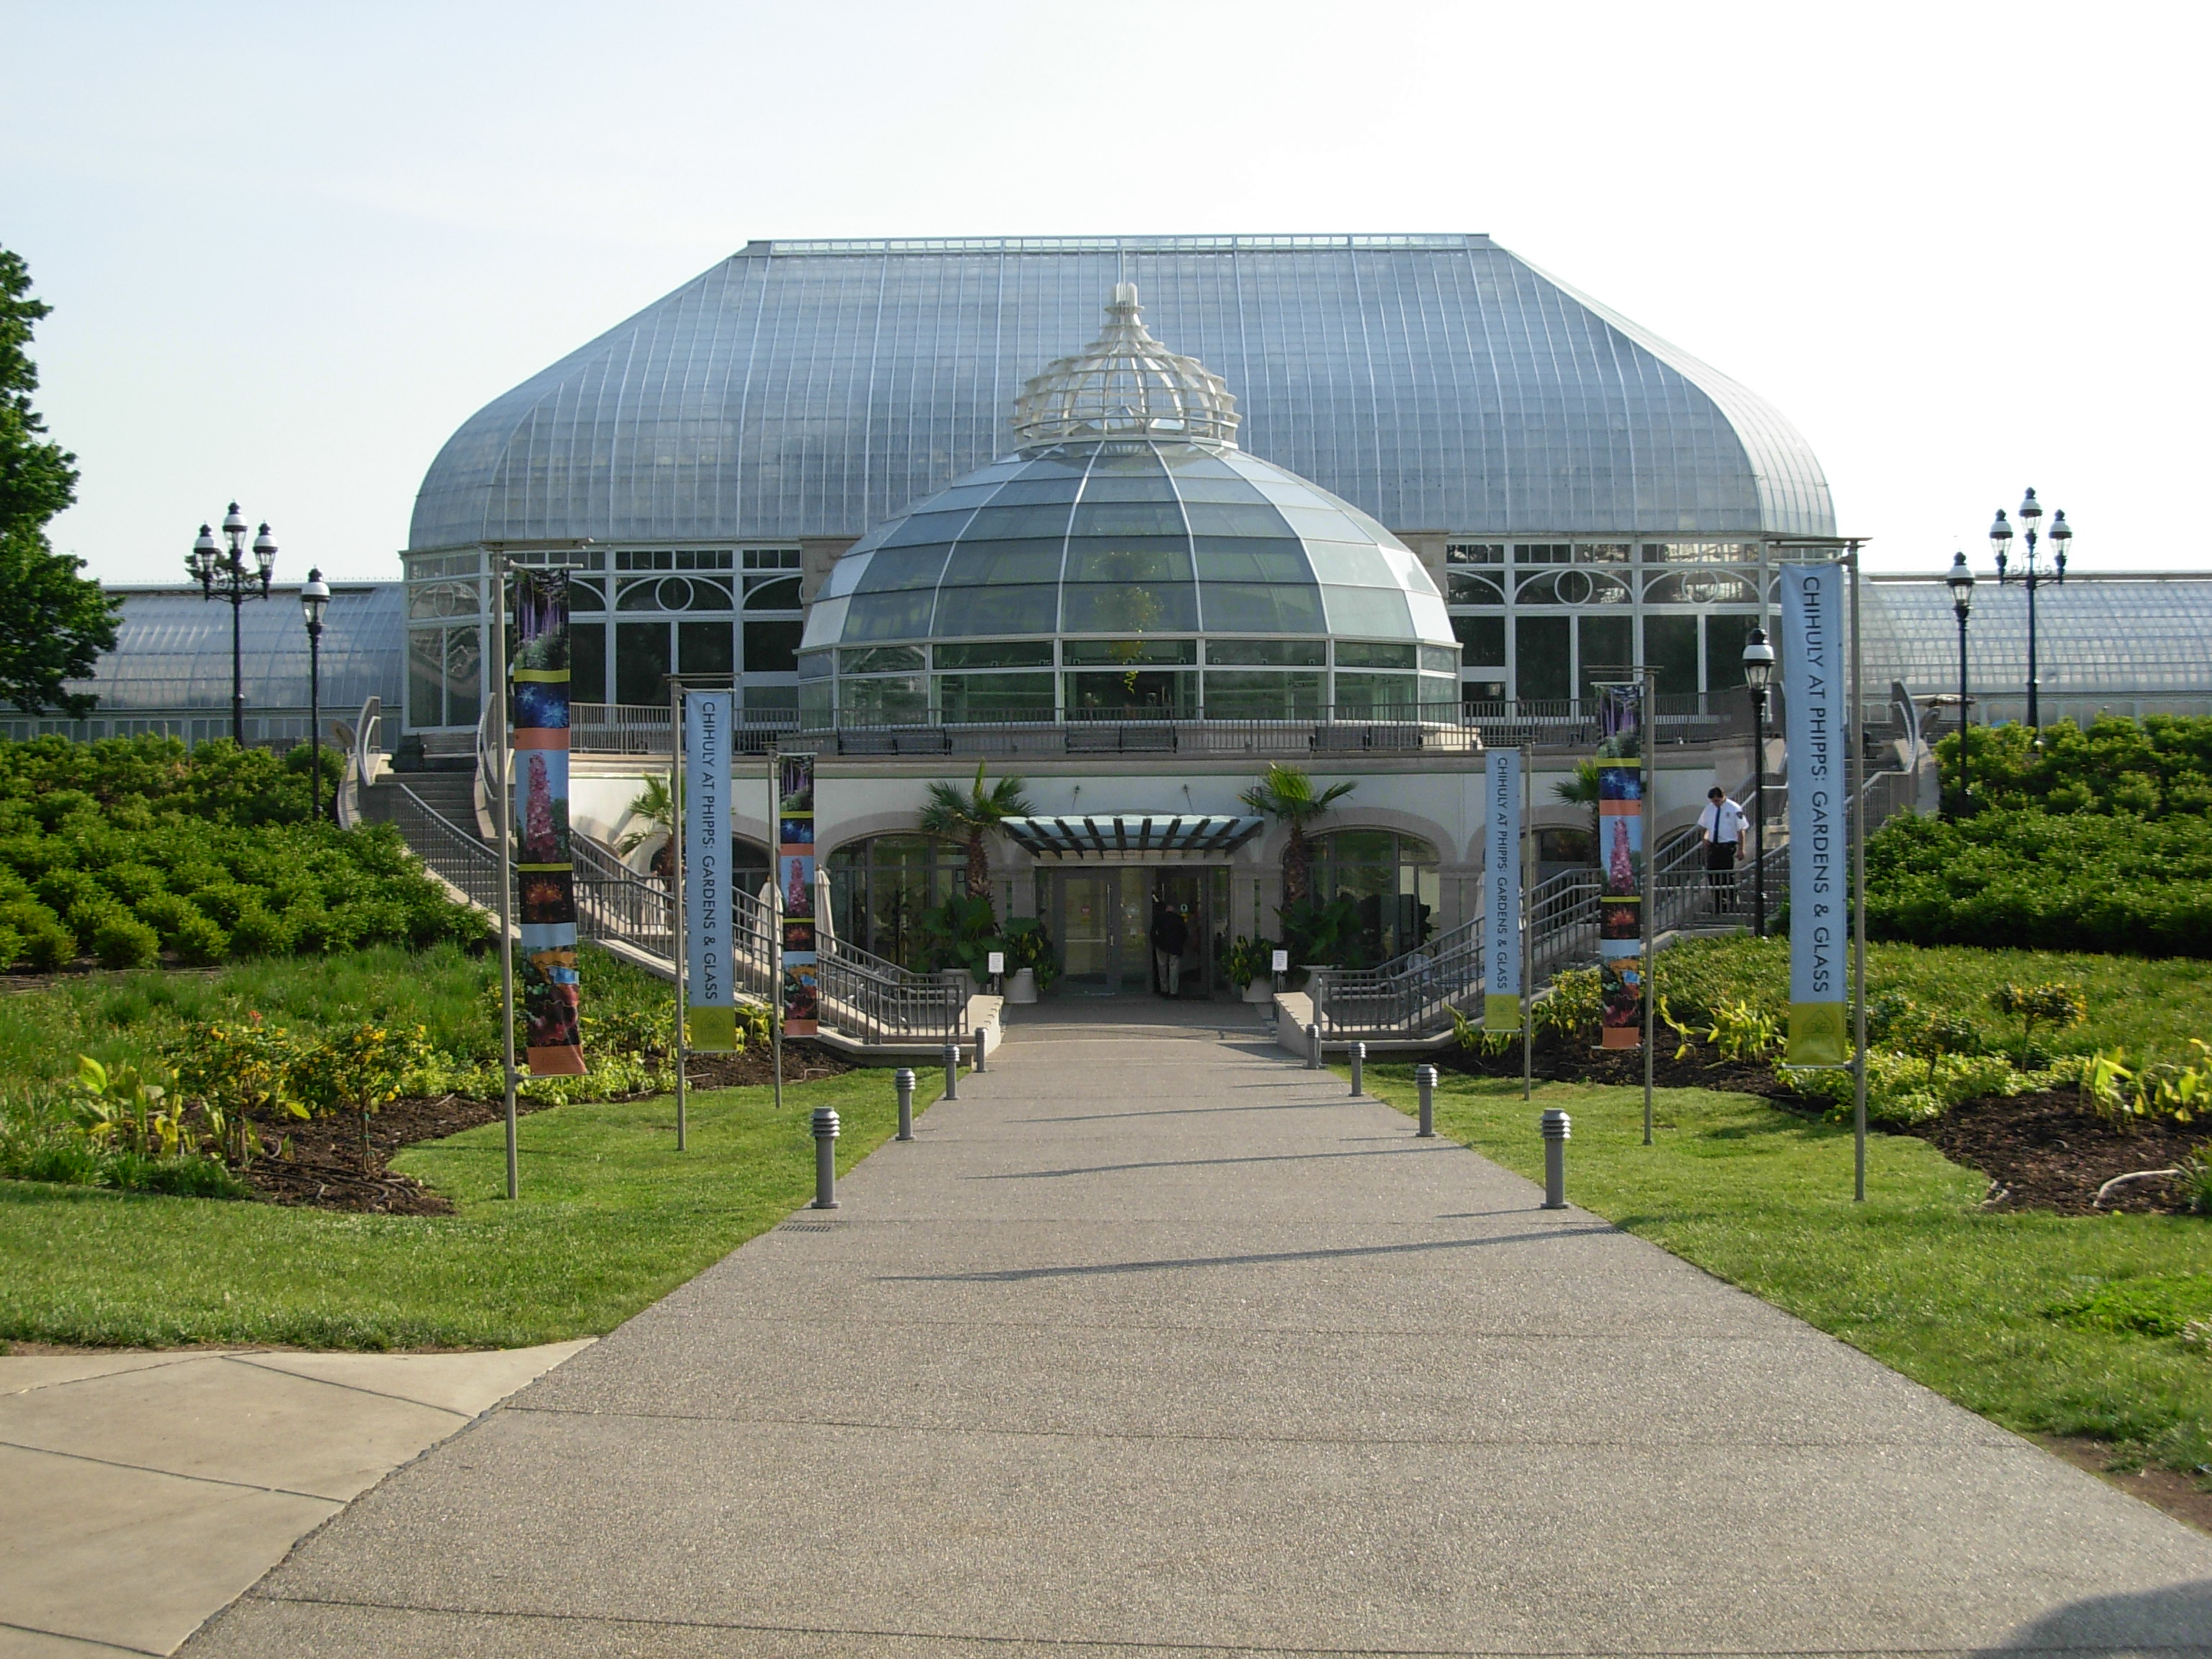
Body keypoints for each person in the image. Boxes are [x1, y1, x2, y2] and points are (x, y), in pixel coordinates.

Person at [1699, 785, 1747, 908]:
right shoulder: (1709, 809)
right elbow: (1706, 827)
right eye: (1713, 801)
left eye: (1717, 801)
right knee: (1712, 874)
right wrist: (1705, 837)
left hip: (1727, 845)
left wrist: (1741, 849)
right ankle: (1719, 901)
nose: (1715, 803)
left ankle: (1732, 898)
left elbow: (1741, 829)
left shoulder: (1734, 808)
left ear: (1723, 797)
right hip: (1713, 846)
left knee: (1727, 874)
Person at [1151, 902, 1190, 997]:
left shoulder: (1159, 919)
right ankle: (1173, 991)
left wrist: (1156, 943)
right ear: (1172, 909)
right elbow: (1184, 933)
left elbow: (1153, 932)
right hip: (1175, 947)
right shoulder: (1178, 919)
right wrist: (1180, 943)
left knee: (1162, 967)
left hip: (1161, 946)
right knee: (1174, 969)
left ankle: (1164, 989)